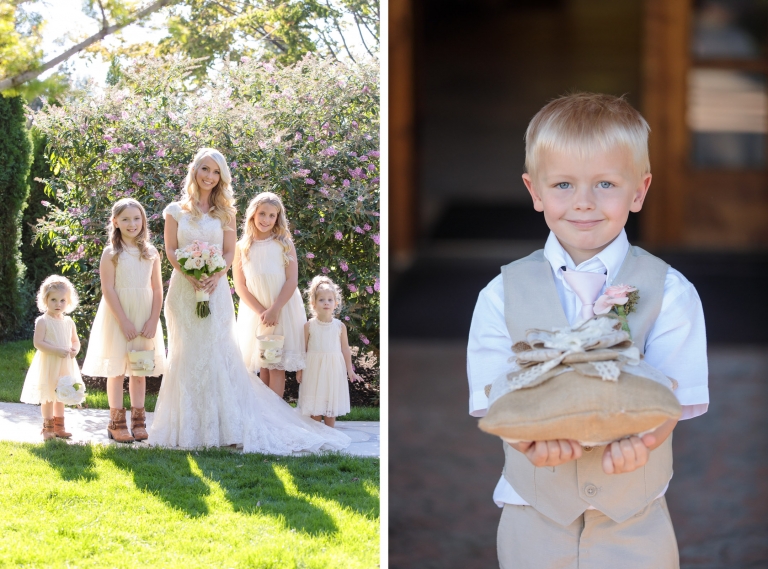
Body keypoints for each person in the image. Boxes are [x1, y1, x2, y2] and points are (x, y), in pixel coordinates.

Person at [467, 93, 709, 568]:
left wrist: (644, 442)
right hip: (532, 513)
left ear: (638, 191)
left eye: (605, 183)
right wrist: (528, 441)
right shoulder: (501, 293)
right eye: (561, 184)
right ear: (533, 190)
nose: (583, 202)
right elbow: (494, 398)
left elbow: (672, 397)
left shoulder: (671, 293)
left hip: (634, 518)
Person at [149, 147, 350, 453]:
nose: (209, 176)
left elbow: (229, 253)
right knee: (186, 352)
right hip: (183, 291)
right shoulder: (174, 211)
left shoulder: (225, 213)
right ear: (195, 171)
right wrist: (190, 275)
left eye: (216, 172)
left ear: (221, 177)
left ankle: (225, 425)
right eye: (205, 169)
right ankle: (187, 427)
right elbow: (171, 251)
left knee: (217, 353)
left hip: (215, 291)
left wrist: (216, 275)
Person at [82, 198, 165, 443]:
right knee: (116, 370)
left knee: (140, 370)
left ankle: (138, 422)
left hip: (144, 316)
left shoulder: (151, 252)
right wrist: (124, 321)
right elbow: (108, 289)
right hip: (119, 316)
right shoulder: (111, 253)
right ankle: (116, 423)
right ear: (115, 222)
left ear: (143, 221)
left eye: (136, 218)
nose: (132, 224)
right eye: (126, 219)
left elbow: (158, 290)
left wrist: (152, 319)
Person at [233, 192, 306, 398]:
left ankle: (277, 417)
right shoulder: (242, 247)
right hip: (256, 312)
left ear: (278, 218)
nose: (266, 220)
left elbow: (292, 279)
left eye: (271, 215)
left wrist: (274, 310)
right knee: (263, 363)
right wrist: (261, 312)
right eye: (262, 214)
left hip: (281, 308)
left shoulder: (284, 243)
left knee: (275, 364)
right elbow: (240, 285)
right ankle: (266, 417)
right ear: (253, 215)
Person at [20, 275, 83, 440]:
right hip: (49, 362)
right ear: (45, 300)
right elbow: (38, 343)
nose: (58, 304)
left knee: (62, 393)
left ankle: (59, 426)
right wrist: (55, 350)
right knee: (48, 395)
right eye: (54, 300)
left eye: (62, 300)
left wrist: (75, 350)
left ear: (68, 302)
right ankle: (48, 427)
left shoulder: (69, 321)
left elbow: (75, 340)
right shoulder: (43, 321)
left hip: (64, 364)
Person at [298, 276, 361, 427]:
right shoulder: (308, 326)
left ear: (336, 303)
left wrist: (350, 370)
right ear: (313, 304)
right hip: (314, 369)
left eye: (330, 300)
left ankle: (330, 433)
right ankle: (317, 433)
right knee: (316, 401)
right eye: (321, 300)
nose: (326, 302)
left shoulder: (340, 326)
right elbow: (303, 349)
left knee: (330, 401)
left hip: (333, 369)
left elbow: (345, 349)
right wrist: (300, 370)